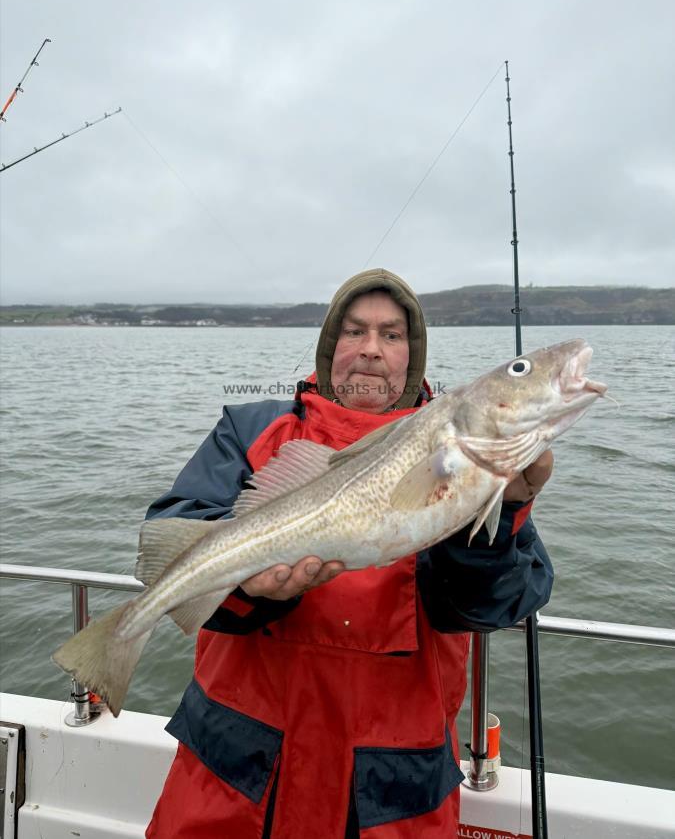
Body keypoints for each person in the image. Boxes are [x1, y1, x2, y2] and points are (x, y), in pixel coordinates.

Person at [145, 269, 554, 839]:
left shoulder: (458, 450)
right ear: (329, 345)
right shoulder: (252, 428)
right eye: (355, 331)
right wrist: (247, 589)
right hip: (236, 781)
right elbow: (175, 538)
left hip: (389, 794)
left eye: (391, 335)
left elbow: (492, 606)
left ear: (412, 355)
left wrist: (502, 509)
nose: (370, 350)